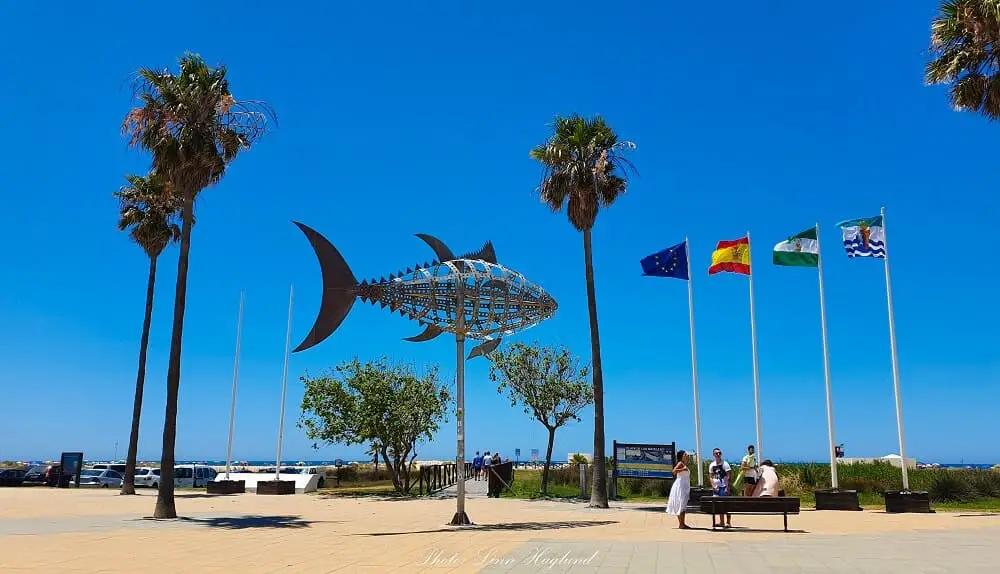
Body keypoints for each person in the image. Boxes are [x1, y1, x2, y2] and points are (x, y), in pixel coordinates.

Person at [665, 450, 691, 529]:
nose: (686, 455)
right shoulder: (680, 463)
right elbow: (673, 472)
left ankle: (682, 523)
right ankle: (681, 523)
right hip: (680, 486)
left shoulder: (684, 464)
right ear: (681, 456)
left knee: (683, 504)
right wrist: (682, 469)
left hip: (684, 485)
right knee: (680, 503)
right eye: (685, 454)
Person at [708, 448, 732, 528]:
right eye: (716, 453)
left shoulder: (725, 464)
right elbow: (711, 477)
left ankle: (728, 522)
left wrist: (727, 487)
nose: (718, 454)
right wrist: (713, 486)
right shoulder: (712, 465)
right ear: (713, 455)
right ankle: (721, 522)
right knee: (718, 505)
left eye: (719, 453)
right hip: (716, 488)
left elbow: (729, 476)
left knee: (726, 505)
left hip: (724, 486)